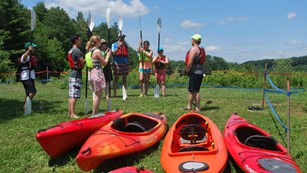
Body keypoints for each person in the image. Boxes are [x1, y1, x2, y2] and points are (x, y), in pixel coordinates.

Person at [86, 35, 110, 114]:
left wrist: (105, 54)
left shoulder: (90, 51)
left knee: (95, 94)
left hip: (91, 73)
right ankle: (94, 114)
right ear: (97, 42)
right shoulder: (97, 51)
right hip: (97, 74)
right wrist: (108, 56)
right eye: (100, 41)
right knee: (98, 96)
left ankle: (94, 112)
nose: (101, 42)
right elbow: (104, 63)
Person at [185, 34, 205, 112]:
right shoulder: (199, 49)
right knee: (191, 90)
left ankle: (198, 108)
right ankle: (189, 106)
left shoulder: (194, 49)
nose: (191, 41)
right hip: (199, 72)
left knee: (195, 91)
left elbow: (190, 62)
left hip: (195, 72)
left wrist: (187, 69)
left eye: (192, 39)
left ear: (194, 40)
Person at [68, 35, 85, 118]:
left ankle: (70, 112)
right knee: (74, 95)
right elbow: (82, 62)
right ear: (76, 40)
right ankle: (73, 114)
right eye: (80, 40)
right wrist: (89, 56)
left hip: (72, 74)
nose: (81, 41)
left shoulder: (70, 50)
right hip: (76, 75)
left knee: (71, 95)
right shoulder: (77, 50)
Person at [20, 42, 38, 110]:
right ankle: (26, 106)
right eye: (33, 47)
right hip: (26, 77)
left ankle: (26, 106)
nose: (34, 49)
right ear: (29, 48)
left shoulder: (31, 56)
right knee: (33, 92)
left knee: (28, 93)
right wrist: (28, 51)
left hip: (30, 76)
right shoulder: (25, 55)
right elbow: (24, 59)